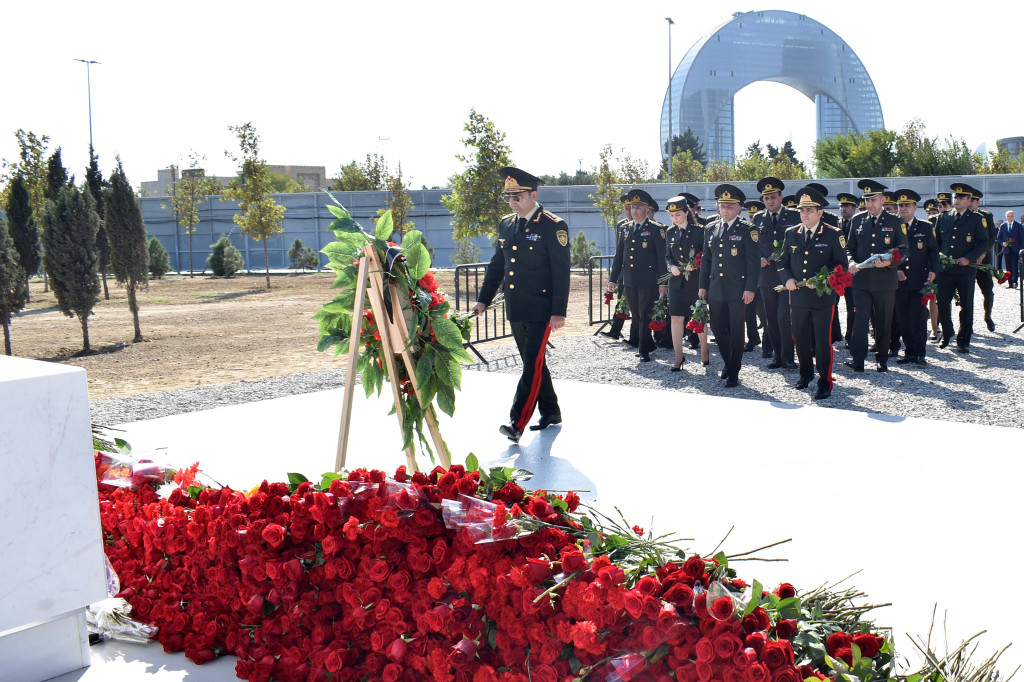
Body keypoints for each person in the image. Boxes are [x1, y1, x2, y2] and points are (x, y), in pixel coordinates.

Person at [474, 167, 570, 443]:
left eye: (518, 196)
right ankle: (551, 411)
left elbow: (561, 270)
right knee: (536, 363)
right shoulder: (507, 224)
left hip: (541, 308)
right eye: (509, 197)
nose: (513, 202)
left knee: (530, 364)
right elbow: (498, 264)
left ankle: (517, 423)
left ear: (533, 195)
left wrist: (558, 311)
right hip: (517, 306)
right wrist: (483, 299)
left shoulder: (553, 225)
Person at [778, 188, 848, 400]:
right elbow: (783, 263)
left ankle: (824, 381)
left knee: (821, 341)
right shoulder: (791, 233)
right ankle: (805, 374)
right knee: (800, 338)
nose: (805, 214)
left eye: (809, 210)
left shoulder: (834, 234)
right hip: (798, 297)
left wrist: (821, 281)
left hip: (822, 299)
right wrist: (788, 279)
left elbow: (841, 266)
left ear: (820, 212)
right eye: (802, 210)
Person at [698, 184, 760, 387]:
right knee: (717, 327)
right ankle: (728, 362)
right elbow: (706, 260)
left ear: (738, 208)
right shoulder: (710, 228)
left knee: (736, 329)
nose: (725, 209)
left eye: (730, 206)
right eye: (722, 205)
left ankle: (734, 370)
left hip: (737, 289)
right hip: (716, 287)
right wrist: (702, 286)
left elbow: (753, 263)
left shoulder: (747, 229)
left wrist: (750, 288)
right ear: (718, 207)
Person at [844, 179, 908, 373]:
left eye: (874, 200)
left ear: (882, 200)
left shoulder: (895, 221)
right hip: (861, 281)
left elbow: (904, 249)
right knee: (860, 321)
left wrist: (891, 262)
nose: (870, 204)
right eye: (867, 201)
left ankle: (882, 358)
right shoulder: (857, 220)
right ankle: (858, 360)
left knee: (883, 321)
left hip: (884, 281)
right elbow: (849, 248)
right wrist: (850, 262)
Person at [608, 189, 668, 362]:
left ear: (647, 209)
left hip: (648, 280)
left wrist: (663, 282)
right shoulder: (625, 228)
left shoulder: (656, 229)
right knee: (636, 315)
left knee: (644, 314)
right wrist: (612, 279)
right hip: (629, 279)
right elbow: (619, 256)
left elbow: (661, 259)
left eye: (638, 207)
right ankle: (649, 344)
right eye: (632, 207)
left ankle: (644, 351)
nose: (634, 211)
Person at [934, 183, 989, 353]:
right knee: (942, 302)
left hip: (965, 270)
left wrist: (969, 258)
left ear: (968, 200)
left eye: (961, 198)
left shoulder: (976, 219)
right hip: (945, 270)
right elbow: (937, 244)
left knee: (966, 305)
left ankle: (963, 339)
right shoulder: (943, 218)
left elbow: (984, 242)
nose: (957, 200)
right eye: (955, 197)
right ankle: (947, 332)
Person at [752, 176, 799, 369]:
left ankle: (788, 357)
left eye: (773, 197)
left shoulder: (794, 216)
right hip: (766, 276)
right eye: (766, 198)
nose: (770, 201)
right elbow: (753, 245)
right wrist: (759, 258)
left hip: (786, 275)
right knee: (770, 317)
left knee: (783, 317)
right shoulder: (757, 218)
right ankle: (777, 356)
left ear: (781, 197)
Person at [891, 190, 939, 366]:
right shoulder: (891, 226)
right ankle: (909, 352)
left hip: (920, 280)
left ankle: (920, 353)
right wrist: (895, 270)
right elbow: (887, 253)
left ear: (915, 207)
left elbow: (933, 251)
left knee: (918, 318)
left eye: (907, 206)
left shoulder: (925, 227)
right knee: (903, 319)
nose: (903, 208)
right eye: (900, 206)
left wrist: (934, 270)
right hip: (899, 281)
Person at [664, 195, 705, 370]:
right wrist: (671, 266)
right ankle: (679, 357)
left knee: (699, 316)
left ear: (686, 212)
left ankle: (704, 352)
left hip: (695, 281)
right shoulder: (670, 232)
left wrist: (695, 264)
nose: (675, 218)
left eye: (678, 214)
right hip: (676, 283)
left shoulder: (699, 231)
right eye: (672, 215)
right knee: (675, 318)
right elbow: (667, 256)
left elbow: (705, 255)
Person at [600, 194, 633, 341]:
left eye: (630, 208)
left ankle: (645, 336)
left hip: (640, 273)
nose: (628, 212)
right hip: (624, 272)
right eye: (625, 209)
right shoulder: (622, 225)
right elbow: (620, 252)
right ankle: (615, 330)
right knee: (622, 301)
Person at [969, 189, 997, 331]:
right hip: (967, 261)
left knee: (987, 291)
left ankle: (988, 316)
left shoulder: (986, 216)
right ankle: (968, 323)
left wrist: (982, 255)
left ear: (978, 202)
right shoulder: (963, 217)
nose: (970, 203)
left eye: (972, 201)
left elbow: (991, 238)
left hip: (983, 261)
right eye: (968, 200)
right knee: (966, 294)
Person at [836, 192, 860, 346]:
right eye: (841, 206)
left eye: (846, 206)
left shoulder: (858, 224)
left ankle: (850, 336)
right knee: (832, 305)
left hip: (852, 271)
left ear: (854, 208)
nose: (843, 209)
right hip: (837, 272)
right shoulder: (836, 224)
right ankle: (835, 335)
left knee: (853, 307)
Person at [997, 210, 1023, 286]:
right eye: (1008, 216)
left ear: (1013, 216)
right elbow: (999, 237)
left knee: (1015, 265)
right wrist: (1002, 243)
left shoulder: (1018, 225)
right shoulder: (1003, 225)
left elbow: (1022, 238)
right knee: (1008, 266)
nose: (1009, 218)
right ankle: (1010, 283)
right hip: (1006, 249)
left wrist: (1021, 249)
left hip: (1016, 249)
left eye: (1011, 216)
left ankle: (1015, 281)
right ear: (1006, 217)